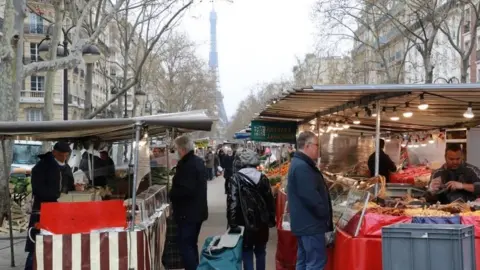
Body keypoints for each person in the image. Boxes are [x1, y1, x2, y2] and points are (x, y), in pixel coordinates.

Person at [25, 142, 75, 270]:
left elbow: (68, 184)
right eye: (61, 155)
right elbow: (37, 189)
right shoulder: (41, 166)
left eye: (66, 155)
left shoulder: (66, 167)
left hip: (60, 208)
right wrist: (55, 196)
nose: (64, 158)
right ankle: (30, 267)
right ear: (54, 152)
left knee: (57, 240)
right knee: (37, 241)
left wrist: (74, 189)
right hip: (43, 208)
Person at [287, 131, 333, 270]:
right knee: (315, 263)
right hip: (311, 224)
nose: (318, 149)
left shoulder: (300, 164)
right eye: (316, 145)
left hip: (304, 224)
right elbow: (310, 197)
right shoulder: (302, 167)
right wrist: (324, 214)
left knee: (304, 260)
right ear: (307, 146)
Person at [227, 149, 275, 270]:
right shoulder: (263, 178)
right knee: (260, 252)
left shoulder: (235, 178)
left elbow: (232, 202)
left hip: (243, 223)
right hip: (261, 222)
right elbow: (270, 201)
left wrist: (232, 224)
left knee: (246, 252)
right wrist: (271, 219)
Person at [169, 135, 208, 270]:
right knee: (191, 244)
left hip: (188, 213)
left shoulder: (187, 165)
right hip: (197, 211)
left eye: (177, 149)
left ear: (183, 149)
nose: (177, 152)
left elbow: (187, 190)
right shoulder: (197, 162)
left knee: (186, 246)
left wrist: (172, 194)